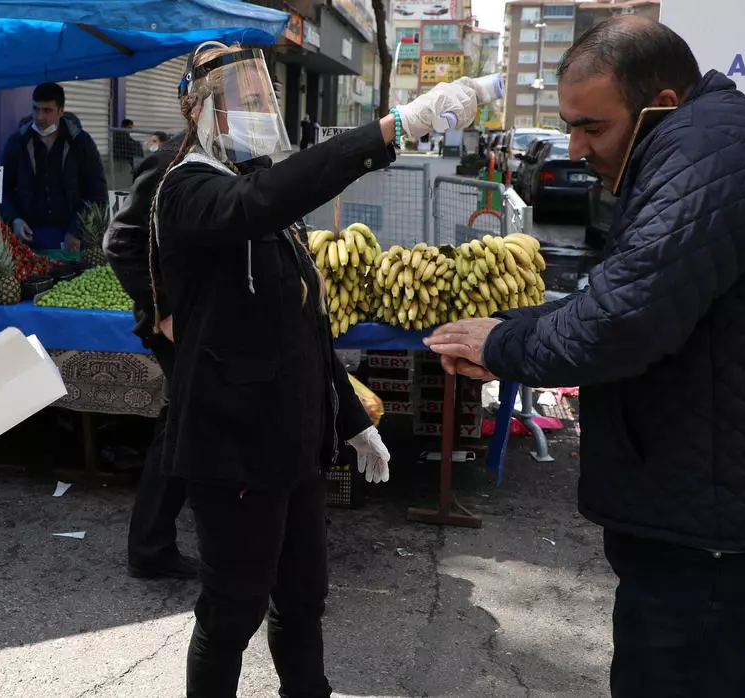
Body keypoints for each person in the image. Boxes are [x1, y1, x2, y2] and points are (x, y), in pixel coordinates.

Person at [424, 16, 745, 697]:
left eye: (593, 128)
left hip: (720, 536)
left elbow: (623, 324)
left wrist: (505, 343)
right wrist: (514, 328)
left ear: (659, 103)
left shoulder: (706, 153)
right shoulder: (700, 145)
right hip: (714, 516)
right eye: (570, 125)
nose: (575, 148)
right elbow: (629, 297)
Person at [150, 41, 481, 696]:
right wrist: (392, 129)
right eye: (243, 97)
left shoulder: (259, 192)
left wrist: (352, 417)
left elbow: (305, 325)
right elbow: (260, 203)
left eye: (265, 94)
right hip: (232, 447)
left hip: (293, 442)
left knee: (303, 599)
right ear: (198, 108)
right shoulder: (187, 190)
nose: (261, 106)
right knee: (233, 608)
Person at [104, 125, 196, 580]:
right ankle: (150, 546)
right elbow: (120, 242)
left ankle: (156, 542)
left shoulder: (242, 154)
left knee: (185, 423)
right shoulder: (170, 160)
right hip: (179, 326)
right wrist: (163, 312)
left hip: (212, 323)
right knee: (181, 423)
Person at [1, 82, 108, 255]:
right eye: (35, 109)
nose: (39, 117)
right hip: (30, 234)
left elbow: (97, 192)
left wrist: (77, 230)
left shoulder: (81, 142)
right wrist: (14, 219)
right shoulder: (17, 142)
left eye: (47, 110)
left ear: (61, 111)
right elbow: (3, 187)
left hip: (72, 233)